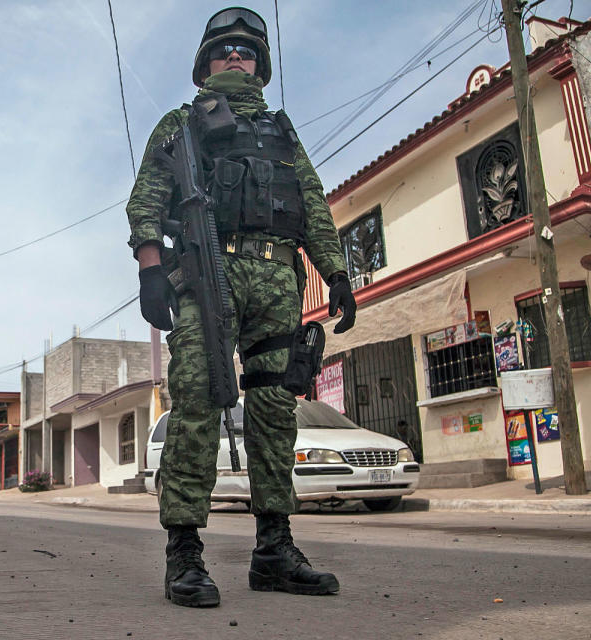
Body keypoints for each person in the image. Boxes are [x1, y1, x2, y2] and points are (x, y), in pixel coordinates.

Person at [126, 7, 357, 608]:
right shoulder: (181, 124)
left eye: (246, 51)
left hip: (281, 280)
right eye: (224, 50)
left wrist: (336, 272)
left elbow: (312, 204)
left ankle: (274, 549)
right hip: (209, 274)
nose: (235, 58)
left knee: (277, 412)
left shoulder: (283, 132)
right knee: (199, 402)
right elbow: (147, 198)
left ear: (262, 65)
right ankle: (185, 554)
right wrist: (152, 271)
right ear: (205, 64)